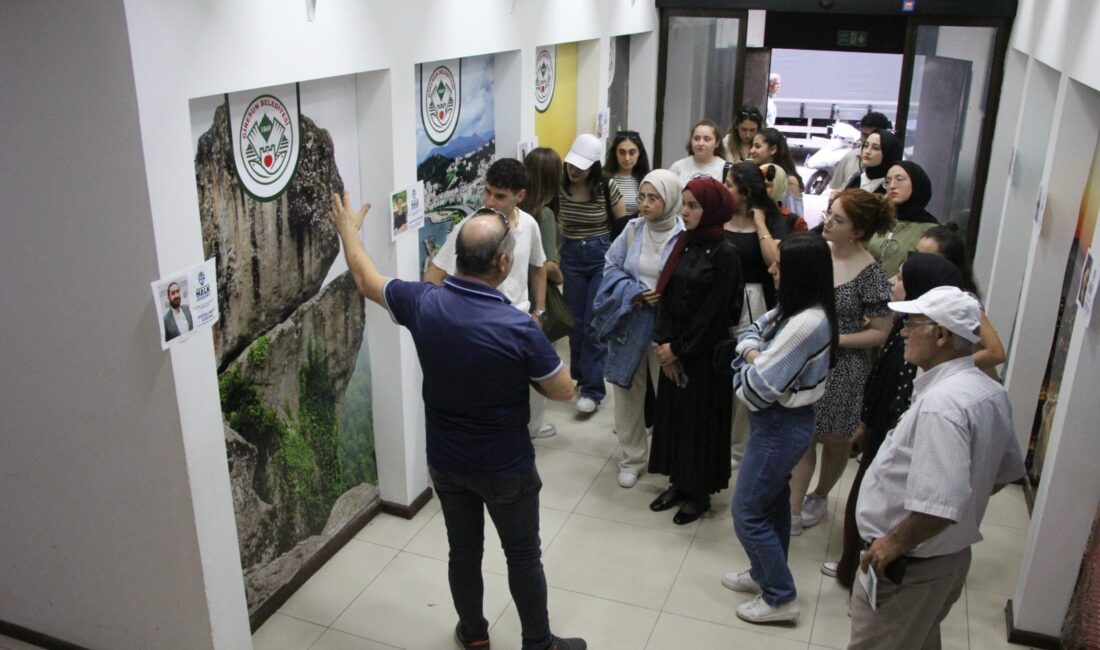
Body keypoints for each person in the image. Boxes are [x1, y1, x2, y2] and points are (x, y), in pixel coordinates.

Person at [328, 195, 586, 650]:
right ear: (504, 263)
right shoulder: (517, 326)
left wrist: (348, 230)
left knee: (464, 552)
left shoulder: (423, 301)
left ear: (458, 258)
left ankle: (472, 635)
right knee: (523, 556)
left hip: (446, 461)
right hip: (505, 465)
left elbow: (367, 279)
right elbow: (564, 390)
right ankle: (538, 644)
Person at [849, 286, 1025, 650]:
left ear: (941, 334)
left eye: (911, 324)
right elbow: (1003, 473)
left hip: (911, 565)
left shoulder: (942, 406)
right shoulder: (988, 390)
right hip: (945, 560)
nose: (902, 332)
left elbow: (938, 506)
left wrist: (892, 544)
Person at [822, 253, 965, 588]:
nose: (890, 282)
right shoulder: (906, 325)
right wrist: (866, 424)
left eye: (900, 278)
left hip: (895, 436)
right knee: (861, 500)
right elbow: (881, 382)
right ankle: (851, 569)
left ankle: (866, 579)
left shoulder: (925, 344)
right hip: (879, 430)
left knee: (881, 509)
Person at [723, 232, 838, 624]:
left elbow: (754, 390)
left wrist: (750, 357)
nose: (772, 270)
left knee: (747, 512)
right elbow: (749, 331)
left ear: (800, 274)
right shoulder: (795, 308)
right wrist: (754, 353)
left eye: (779, 267)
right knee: (771, 505)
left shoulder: (807, 323)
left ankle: (780, 595)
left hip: (780, 426)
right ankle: (763, 574)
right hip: (780, 424)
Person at [790, 190, 893, 536]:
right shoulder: (818, 253)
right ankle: (791, 509)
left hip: (844, 368)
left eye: (839, 219)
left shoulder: (871, 273)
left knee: (834, 441)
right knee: (803, 437)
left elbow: (881, 331)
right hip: (807, 358)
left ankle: (819, 495)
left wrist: (836, 339)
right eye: (829, 214)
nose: (828, 221)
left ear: (858, 232)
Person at [647, 176, 743, 525]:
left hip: (702, 357)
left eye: (693, 206)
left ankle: (699, 492)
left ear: (712, 209)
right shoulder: (684, 243)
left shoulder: (725, 254)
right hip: (674, 349)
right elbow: (667, 297)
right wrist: (664, 345)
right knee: (675, 420)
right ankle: (678, 482)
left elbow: (715, 313)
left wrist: (680, 350)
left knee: (700, 425)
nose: (685, 212)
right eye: (684, 205)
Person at [592, 169, 684, 488]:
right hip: (632, 319)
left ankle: (670, 456)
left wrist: (667, 296)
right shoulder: (632, 230)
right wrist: (633, 291)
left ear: (670, 200)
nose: (644, 204)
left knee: (670, 392)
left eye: (653, 198)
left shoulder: (685, 234)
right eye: (642, 197)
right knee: (628, 390)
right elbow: (610, 266)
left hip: (666, 326)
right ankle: (631, 457)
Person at [559, 133, 626, 414]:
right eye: (571, 165)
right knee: (574, 323)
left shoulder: (606, 185)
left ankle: (593, 390)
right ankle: (580, 375)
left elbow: (622, 223)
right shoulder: (558, 185)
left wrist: (617, 260)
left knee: (594, 325)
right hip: (571, 257)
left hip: (600, 256)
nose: (574, 171)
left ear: (594, 166)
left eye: (581, 167)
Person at [520, 147, 566, 439]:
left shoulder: (518, 208)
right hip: (539, 294)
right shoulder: (544, 214)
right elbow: (547, 264)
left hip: (515, 291)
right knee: (538, 360)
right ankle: (534, 425)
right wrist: (561, 275)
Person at [917, 224, 1007, 370]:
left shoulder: (963, 300)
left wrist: (943, 368)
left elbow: (996, 353)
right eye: (915, 255)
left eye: (927, 259)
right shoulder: (923, 290)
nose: (916, 263)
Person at [868, 161, 939, 279]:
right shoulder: (879, 219)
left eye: (899, 179)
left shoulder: (930, 230)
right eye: (888, 181)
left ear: (916, 183)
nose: (892, 186)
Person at [830, 112, 893, 192]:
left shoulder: (892, 165)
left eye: (872, 136)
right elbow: (836, 190)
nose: (868, 140)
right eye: (864, 135)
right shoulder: (849, 157)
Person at [751, 127, 804, 217]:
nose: (751, 151)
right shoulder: (754, 172)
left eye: (757, 146)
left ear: (772, 149)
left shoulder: (790, 181)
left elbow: (795, 219)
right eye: (752, 146)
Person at [603, 130, 651, 217]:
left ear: (639, 153)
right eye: (622, 152)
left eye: (632, 153)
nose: (627, 158)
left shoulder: (647, 180)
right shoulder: (604, 179)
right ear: (615, 153)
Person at [843, 129, 903, 194]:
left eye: (875, 148)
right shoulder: (855, 179)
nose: (867, 151)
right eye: (866, 146)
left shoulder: (892, 188)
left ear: (888, 153)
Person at [668, 119, 728, 184]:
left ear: (717, 143)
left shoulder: (726, 169)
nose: (700, 143)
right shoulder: (678, 167)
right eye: (696, 138)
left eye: (707, 139)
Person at [761, 163, 808, 233]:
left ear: (779, 187)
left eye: (767, 186)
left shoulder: (795, 222)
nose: (760, 188)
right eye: (757, 183)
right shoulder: (745, 214)